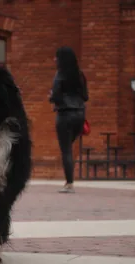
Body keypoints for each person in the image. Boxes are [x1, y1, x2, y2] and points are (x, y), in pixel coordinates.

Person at [49, 46, 88, 194]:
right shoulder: (80, 75)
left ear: (62, 60)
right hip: (79, 115)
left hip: (65, 114)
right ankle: (69, 181)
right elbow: (85, 96)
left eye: (56, 57)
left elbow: (56, 96)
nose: (54, 60)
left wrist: (51, 97)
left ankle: (69, 184)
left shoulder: (60, 74)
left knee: (66, 150)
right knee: (68, 148)